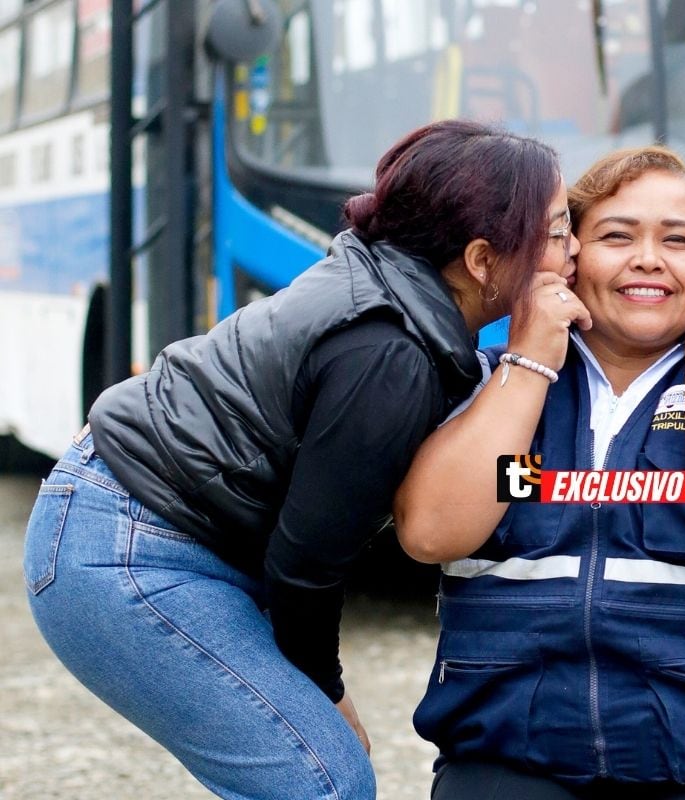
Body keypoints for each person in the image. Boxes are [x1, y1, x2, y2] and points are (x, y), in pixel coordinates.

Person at [22, 119, 570, 800]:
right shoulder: (390, 352)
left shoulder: (389, 289)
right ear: (483, 261)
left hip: (140, 521)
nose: (573, 254)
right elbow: (312, 560)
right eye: (556, 233)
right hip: (127, 543)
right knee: (321, 779)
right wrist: (328, 692)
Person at [393, 146, 685, 798]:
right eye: (616, 236)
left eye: (679, 240)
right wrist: (530, 362)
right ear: (569, 257)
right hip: (514, 752)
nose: (649, 259)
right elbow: (432, 532)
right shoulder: (493, 382)